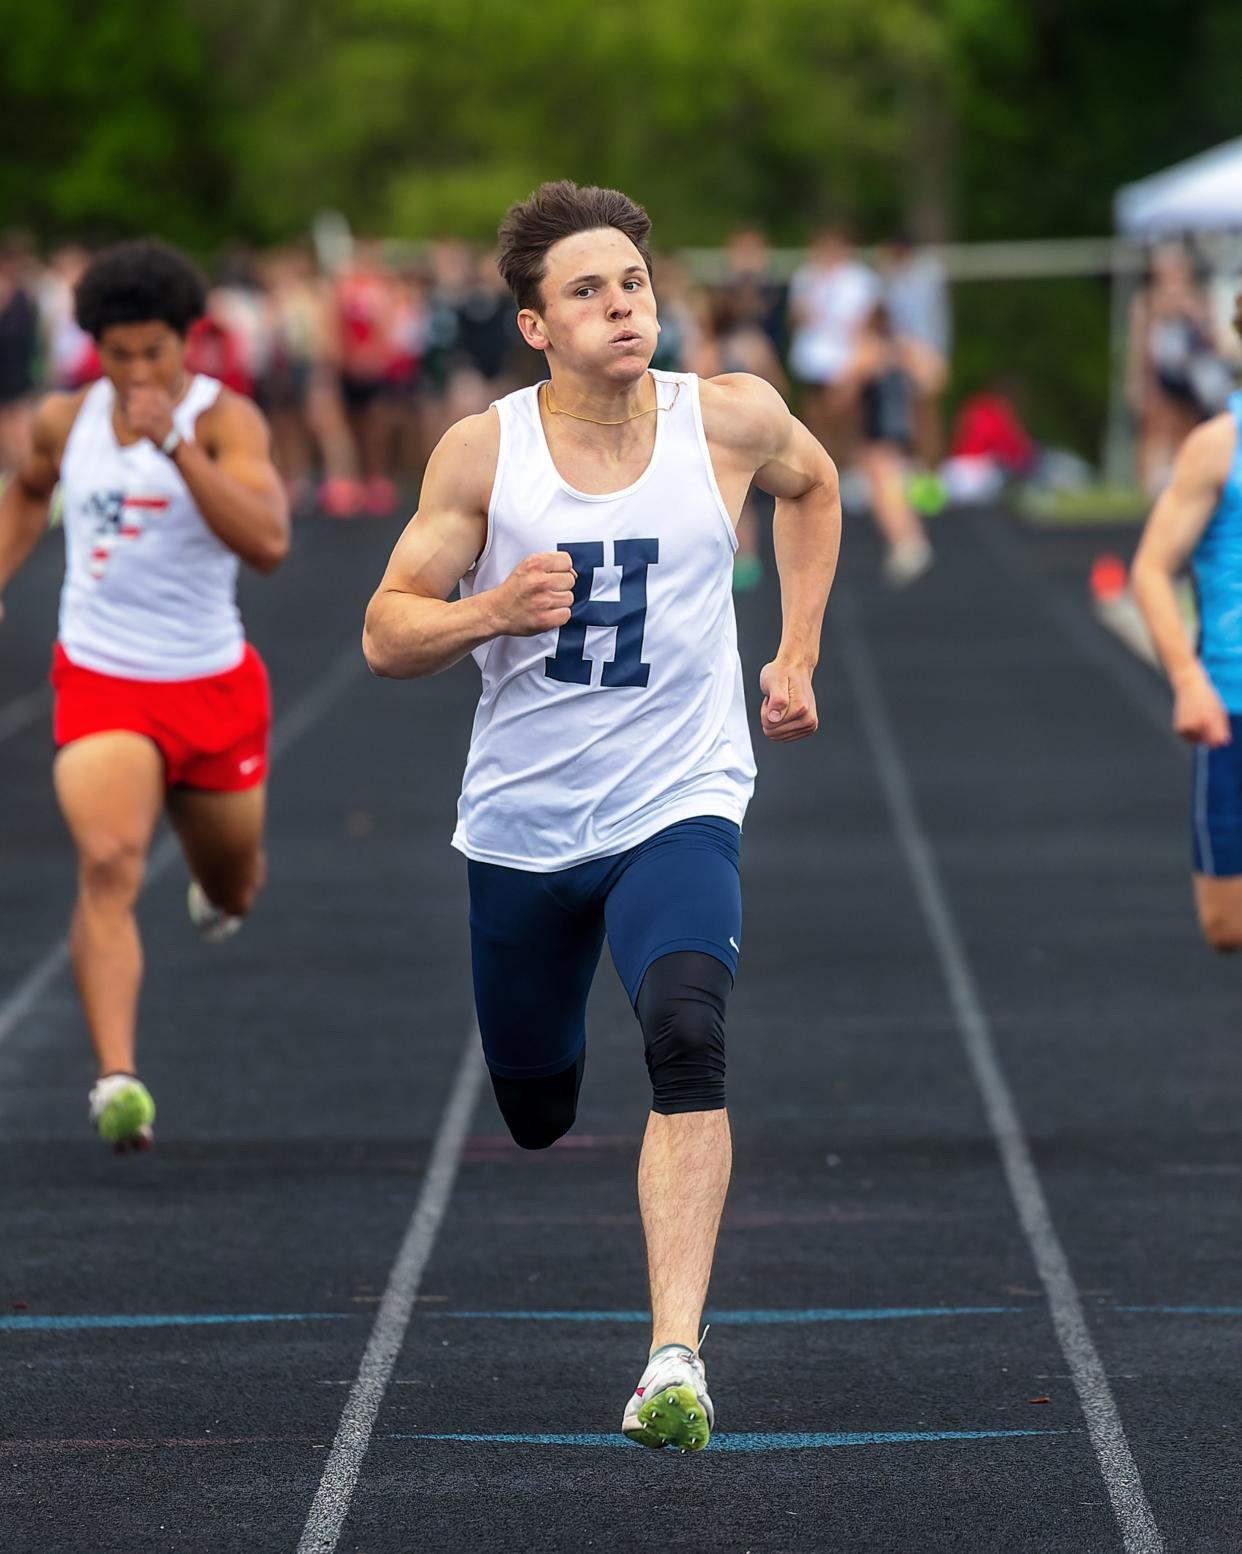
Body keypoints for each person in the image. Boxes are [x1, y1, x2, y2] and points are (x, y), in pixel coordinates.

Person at [363, 181, 840, 1452]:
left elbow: (819, 486)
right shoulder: (485, 451)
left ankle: (672, 1361)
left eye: (631, 282)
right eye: (587, 290)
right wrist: (485, 612)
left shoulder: (728, 415)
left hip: (680, 799)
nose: (623, 306)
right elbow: (383, 632)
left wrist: (795, 652)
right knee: (536, 1109)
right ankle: (544, 1074)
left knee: (688, 1033)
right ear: (533, 326)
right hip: (523, 828)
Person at [0, 239, 290, 1150]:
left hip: (209, 684)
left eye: (152, 353)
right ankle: (117, 1080)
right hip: (101, 678)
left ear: (185, 342)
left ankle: (223, 894)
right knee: (110, 860)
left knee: (234, 884)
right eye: (117, 356)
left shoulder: (223, 420)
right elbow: (27, 489)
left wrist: (172, 442)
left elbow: (269, 541)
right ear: (95, 349)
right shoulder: (64, 419)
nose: (135, 373)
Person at [1131, 288, 1242, 953]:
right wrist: (1187, 679)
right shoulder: (1216, 446)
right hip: (1231, 704)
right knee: (1225, 924)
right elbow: (1149, 569)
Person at [839, 302, 935, 586]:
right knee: (892, 486)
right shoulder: (900, 351)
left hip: (881, 429)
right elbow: (931, 381)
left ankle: (907, 541)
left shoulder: (869, 352)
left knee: (886, 489)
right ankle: (908, 539)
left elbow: (843, 394)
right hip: (898, 429)